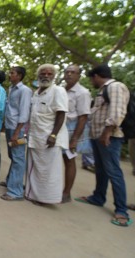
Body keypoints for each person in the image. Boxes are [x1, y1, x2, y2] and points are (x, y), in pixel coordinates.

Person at [75, 64, 132, 227]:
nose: (92, 82)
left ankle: (121, 210)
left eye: (92, 78)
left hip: (109, 137)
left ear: (97, 76)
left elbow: (117, 112)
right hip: (98, 136)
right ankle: (98, 197)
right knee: (101, 169)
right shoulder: (103, 90)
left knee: (113, 171)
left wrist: (107, 133)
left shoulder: (115, 87)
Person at [25, 64, 68, 205]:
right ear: (38, 76)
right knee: (36, 168)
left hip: (49, 137)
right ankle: (33, 194)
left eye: (49, 74)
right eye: (43, 73)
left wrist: (54, 135)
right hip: (36, 136)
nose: (46, 76)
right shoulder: (37, 92)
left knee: (48, 172)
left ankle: (46, 198)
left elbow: (61, 113)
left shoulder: (58, 91)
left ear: (54, 76)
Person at [0, 67, 32, 201]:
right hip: (10, 126)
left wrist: (18, 132)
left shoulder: (25, 91)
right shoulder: (12, 89)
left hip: (17, 129)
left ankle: (16, 191)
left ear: (19, 76)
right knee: (13, 156)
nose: (10, 75)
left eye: (12, 73)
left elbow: (24, 113)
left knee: (18, 158)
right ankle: (11, 182)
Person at [61, 65, 92, 203]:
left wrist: (74, 139)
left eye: (73, 72)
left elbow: (83, 117)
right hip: (60, 128)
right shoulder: (61, 89)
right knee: (56, 159)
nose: (69, 74)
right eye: (67, 72)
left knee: (69, 160)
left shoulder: (82, 93)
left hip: (72, 130)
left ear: (79, 76)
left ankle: (66, 193)